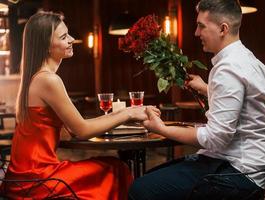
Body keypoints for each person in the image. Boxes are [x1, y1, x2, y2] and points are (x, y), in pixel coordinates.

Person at [129, 0, 265, 199]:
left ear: (223, 28)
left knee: (140, 189)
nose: (196, 33)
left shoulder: (228, 69)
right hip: (250, 168)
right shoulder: (250, 61)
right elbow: (246, 105)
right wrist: (208, 89)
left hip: (238, 174)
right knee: (153, 178)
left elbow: (216, 138)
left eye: (201, 26)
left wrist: (161, 128)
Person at [4, 11, 159, 199]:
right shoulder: (48, 80)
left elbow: (69, 129)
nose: (71, 40)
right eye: (63, 37)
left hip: (22, 178)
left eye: (68, 34)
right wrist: (129, 113)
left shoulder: (35, 78)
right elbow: (82, 130)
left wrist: (128, 111)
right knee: (116, 168)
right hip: (38, 180)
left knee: (113, 165)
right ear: (46, 46)